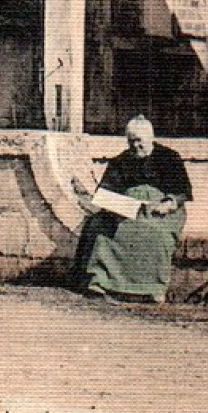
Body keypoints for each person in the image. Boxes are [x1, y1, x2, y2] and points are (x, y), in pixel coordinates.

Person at [72, 115, 193, 303]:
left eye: (139, 141)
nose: (135, 146)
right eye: (131, 141)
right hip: (128, 210)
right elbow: (106, 192)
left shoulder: (169, 158)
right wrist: (115, 204)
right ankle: (103, 284)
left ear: (150, 138)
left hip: (162, 210)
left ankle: (151, 290)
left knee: (156, 235)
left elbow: (182, 192)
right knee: (104, 234)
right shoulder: (121, 161)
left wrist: (168, 204)